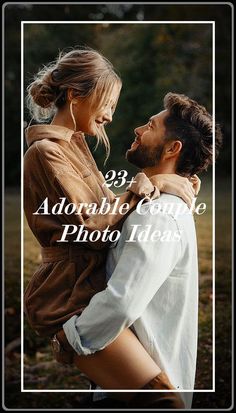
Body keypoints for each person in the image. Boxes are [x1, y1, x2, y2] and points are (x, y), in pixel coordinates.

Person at [24, 47, 197, 409]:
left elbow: (102, 210)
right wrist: (150, 186)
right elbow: (88, 225)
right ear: (74, 96)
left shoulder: (75, 147)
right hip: (66, 297)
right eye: (108, 103)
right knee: (163, 402)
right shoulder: (45, 152)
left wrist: (164, 183)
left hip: (86, 286)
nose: (111, 115)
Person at [53, 92, 223, 408]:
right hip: (134, 377)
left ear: (173, 148)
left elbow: (123, 301)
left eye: (150, 125)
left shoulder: (157, 214)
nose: (138, 130)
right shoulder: (162, 205)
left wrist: (71, 337)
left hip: (139, 389)